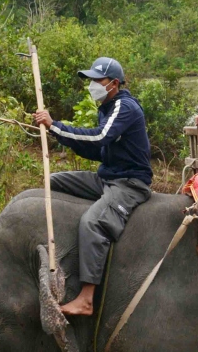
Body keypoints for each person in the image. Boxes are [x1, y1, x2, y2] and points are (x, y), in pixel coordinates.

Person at [33, 56, 152, 316]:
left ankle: (86, 299)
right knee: (53, 181)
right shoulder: (105, 108)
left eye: (98, 80)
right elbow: (101, 150)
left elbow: (99, 138)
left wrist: (55, 126)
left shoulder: (125, 107)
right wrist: (57, 133)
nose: (92, 85)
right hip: (108, 176)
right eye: (91, 80)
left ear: (115, 83)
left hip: (129, 182)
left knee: (91, 222)